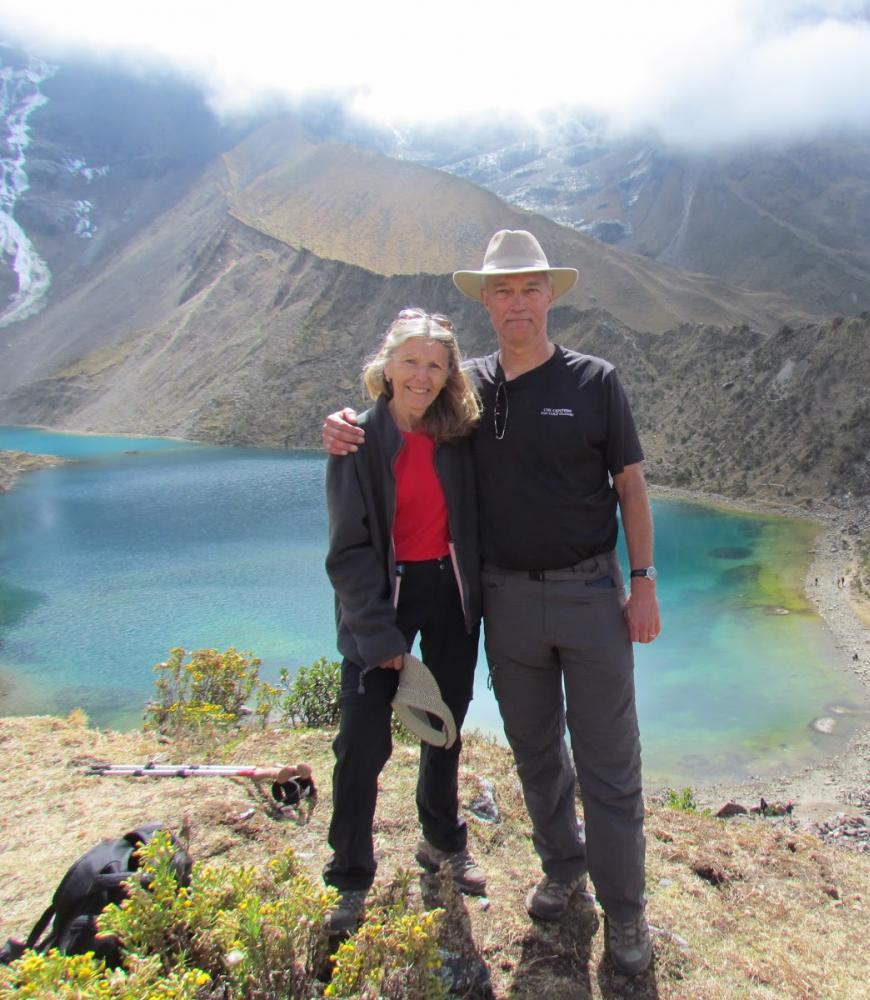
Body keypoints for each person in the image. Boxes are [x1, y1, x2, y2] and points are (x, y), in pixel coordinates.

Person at [323, 230, 661, 977]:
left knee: (608, 762)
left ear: (549, 296)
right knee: (534, 751)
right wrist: (344, 423)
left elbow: (630, 486)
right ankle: (561, 868)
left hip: (585, 594)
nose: (516, 302)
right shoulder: (466, 390)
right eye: (502, 290)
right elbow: (397, 413)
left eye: (529, 288)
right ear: (486, 301)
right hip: (504, 601)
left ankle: (627, 918)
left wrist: (643, 580)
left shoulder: (593, 381)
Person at [322, 308, 485, 936]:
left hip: (449, 594)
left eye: (435, 365)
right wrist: (377, 632)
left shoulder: (458, 435)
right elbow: (349, 548)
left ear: (449, 375)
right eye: (411, 362)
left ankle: (442, 842)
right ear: (386, 365)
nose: (422, 375)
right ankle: (350, 876)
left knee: (443, 729)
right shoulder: (358, 441)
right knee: (362, 741)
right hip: (382, 603)